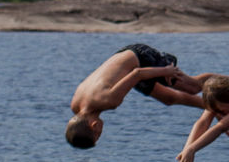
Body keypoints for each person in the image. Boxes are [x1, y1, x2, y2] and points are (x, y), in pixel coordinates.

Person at [65, 43, 205, 148]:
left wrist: (165, 71)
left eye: (98, 135)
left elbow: (137, 73)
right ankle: (213, 106)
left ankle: (225, 85)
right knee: (168, 98)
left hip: (140, 58)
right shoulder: (76, 107)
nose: (101, 133)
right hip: (127, 65)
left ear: (94, 126)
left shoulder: (108, 100)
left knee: (192, 87)